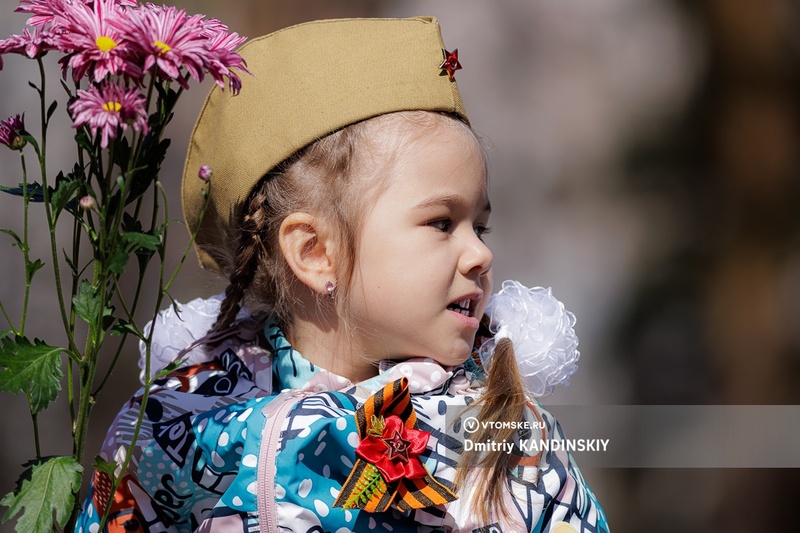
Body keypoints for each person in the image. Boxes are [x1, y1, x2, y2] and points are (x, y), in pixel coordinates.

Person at [76, 17, 610, 533]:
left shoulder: (499, 430)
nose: (479, 255)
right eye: (442, 222)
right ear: (314, 252)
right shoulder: (180, 425)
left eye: (481, 227)